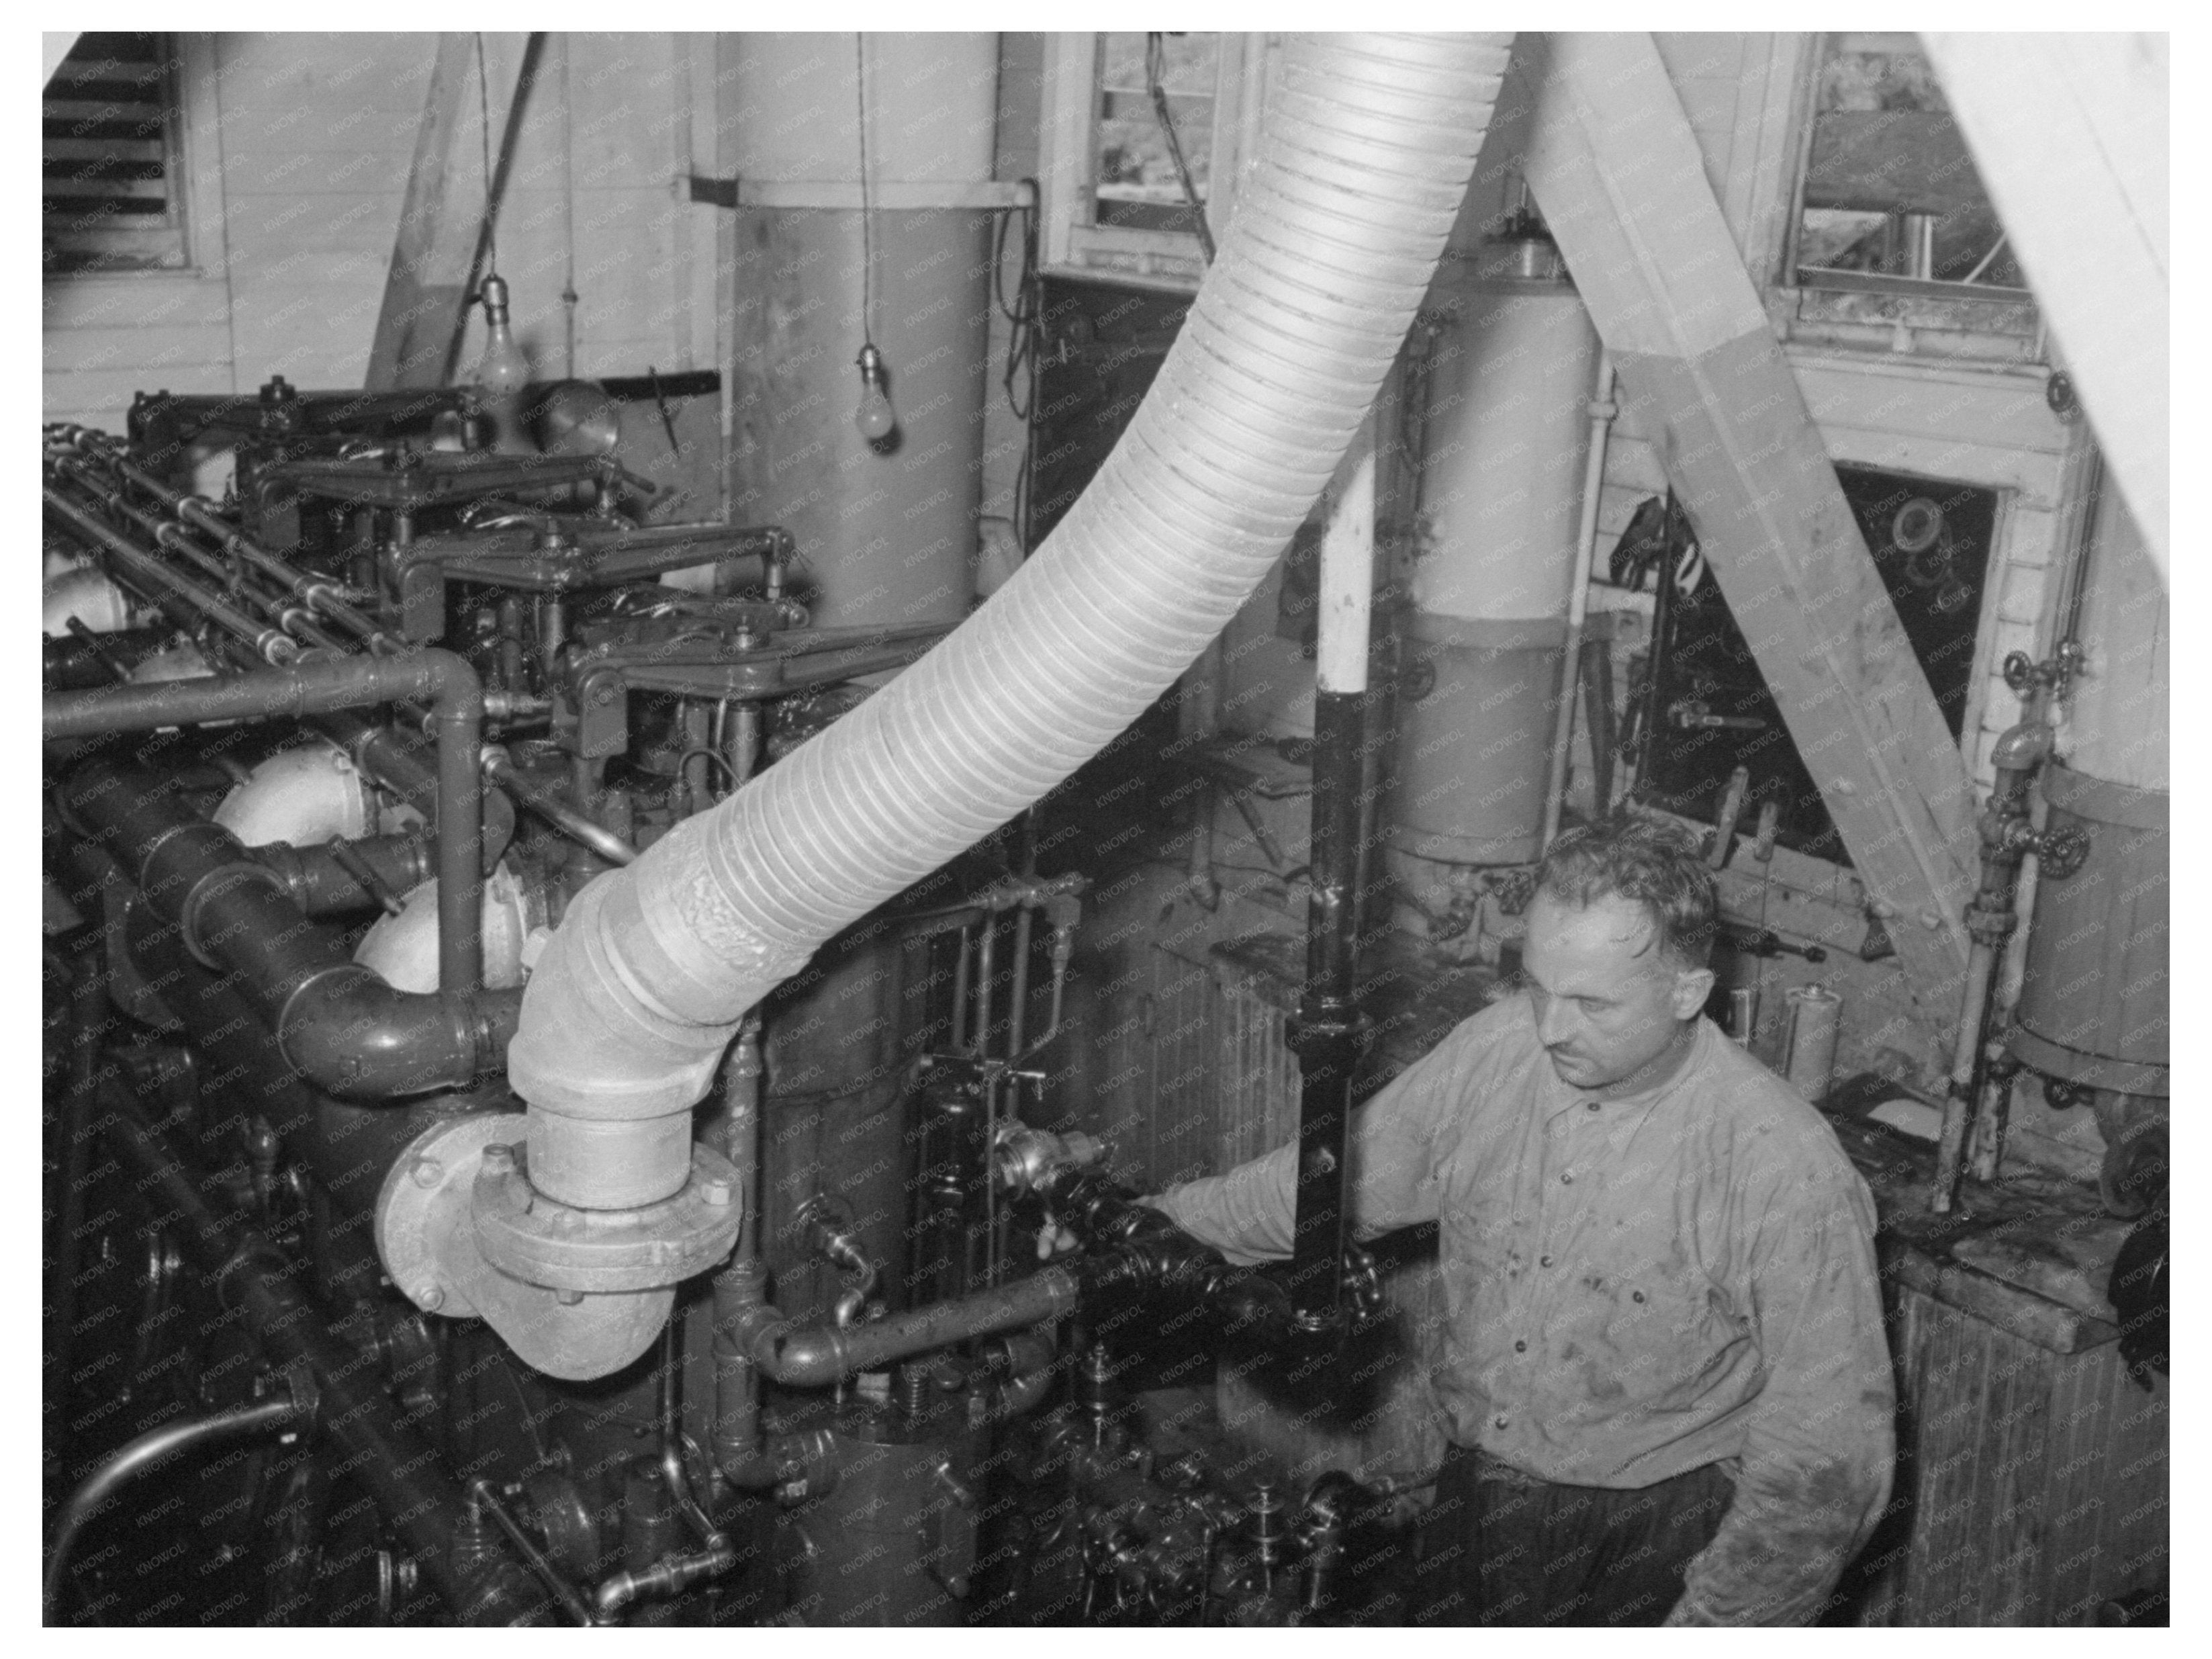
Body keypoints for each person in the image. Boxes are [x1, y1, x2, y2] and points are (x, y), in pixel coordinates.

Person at [1148, 815, 1896, 1625]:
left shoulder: (1779, 1163)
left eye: (1591, 1003)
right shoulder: (1497, 1052)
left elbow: (1826, 1461)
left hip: (1656, 1532)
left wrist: (1717, 1624)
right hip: (1477, 1500)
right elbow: (1323, 1190)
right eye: (1537, 985)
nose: (1550, 1028)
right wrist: (1153, 1227)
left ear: (1688, 992)